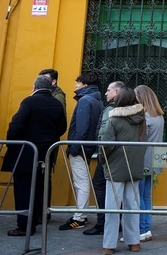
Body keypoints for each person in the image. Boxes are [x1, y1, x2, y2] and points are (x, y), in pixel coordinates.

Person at [2, 75, 67, 237]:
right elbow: (62, 127)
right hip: (47, 153)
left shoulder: (29, 101)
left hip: (26, 153)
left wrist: (12, 144)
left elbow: (15, 125)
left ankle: (24, 225)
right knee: (40, 187)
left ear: (34, 87)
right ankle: (37, 218)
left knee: (23, 189)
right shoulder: (56, 104)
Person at [99, 87, 146, 254]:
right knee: (132, 205)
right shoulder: (142, 118)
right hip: (135, 166)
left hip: (116, 167)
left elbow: (106, 145)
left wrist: (102, 160)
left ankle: (108, 245)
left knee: (112, 207)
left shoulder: (114, 119)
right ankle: (134, 242)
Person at [60, 73, 104, 231]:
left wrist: (74, 147)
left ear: (85, 85)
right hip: (89, 146)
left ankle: (79, 217)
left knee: (81, 182)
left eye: (77, 83)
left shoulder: (85, 100)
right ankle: (80, 216)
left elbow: (82, 127)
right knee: (83, 181)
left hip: (80, 147)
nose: (75, 86)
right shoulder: (97, 100)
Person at [83, 81, 125, 237]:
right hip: (116, 156)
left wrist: (101, 153)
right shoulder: (121, 109)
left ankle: (103, 222)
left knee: (100, 184)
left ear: (117, 93)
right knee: (114, 188)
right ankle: (114, 221)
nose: (106, 93)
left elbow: (105, 133)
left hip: (108, 155)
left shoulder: (112, 110)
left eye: (109, 90)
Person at [134, 85, 164, 242]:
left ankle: (141, 229)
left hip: (142, 160)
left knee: (138, 196)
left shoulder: (144, 117)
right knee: (146, 195)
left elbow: (139, 139)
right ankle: (146, 228)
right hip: (154, 160)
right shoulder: (159, 116)